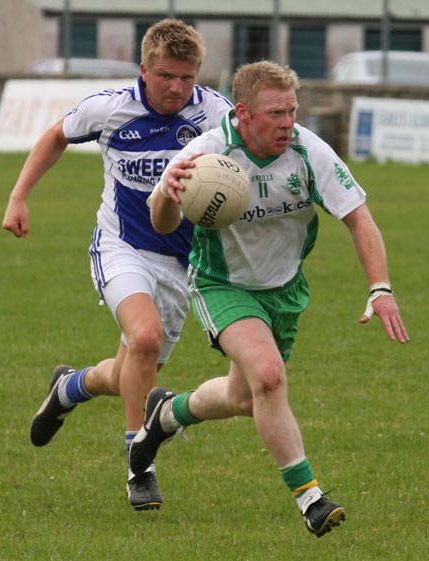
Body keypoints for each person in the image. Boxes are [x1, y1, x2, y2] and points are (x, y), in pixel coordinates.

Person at [129, 60, 410, 537]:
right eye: (276, 113)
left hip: (284, 289)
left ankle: (166, 414)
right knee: (269, 376)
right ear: (242, 112)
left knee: (245, 396)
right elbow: (161, 224)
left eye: (292, 111)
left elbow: (359, 217)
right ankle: (311, 498)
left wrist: (379, 288)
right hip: (222, 283)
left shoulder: (307, 149)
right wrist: (169, 196)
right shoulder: (206, 153)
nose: (287, 123)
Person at [2, 19, 232, 511]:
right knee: (145, 339)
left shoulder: (215, 113)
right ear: (143, 69)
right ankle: (139, 467)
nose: (177, 88)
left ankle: (69, 387)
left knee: (130, 370)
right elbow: (54, 137)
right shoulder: (109, 108)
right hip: (122, 246)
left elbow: (250, 160)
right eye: (167, 75)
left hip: (182, 262)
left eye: (187, 77)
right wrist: (18, 198)